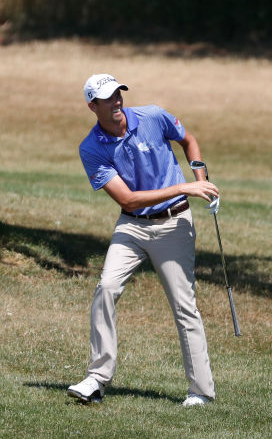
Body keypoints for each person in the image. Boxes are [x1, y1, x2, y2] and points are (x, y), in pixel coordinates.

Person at [67, 73, 220, 406]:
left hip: (174, 223)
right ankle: (97, 378)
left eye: (119, 94)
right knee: (106, 289)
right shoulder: (91, 149)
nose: (117, 101)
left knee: (184, 307)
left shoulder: (152, 115)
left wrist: (201, 180)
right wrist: (185, 186)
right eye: (108, 98)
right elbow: (129, 200)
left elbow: (188, 139)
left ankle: (201, 392)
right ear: (92, 106)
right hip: (132, 225)